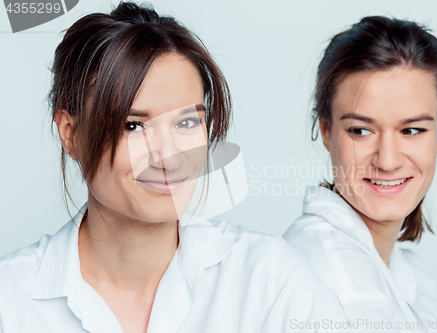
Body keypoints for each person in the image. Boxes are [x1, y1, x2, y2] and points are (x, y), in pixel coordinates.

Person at [0, 2, 348, 332]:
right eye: (132, 125)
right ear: (70, 134)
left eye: (186, 123)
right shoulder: (11, 300)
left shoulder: (267, 279)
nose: (168, 157)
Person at [283, 16, 437, 333]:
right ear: (326, 130)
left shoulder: (410, 275)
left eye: (412, 130)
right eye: (361, 130)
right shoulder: (330, 278)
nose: (388, 160)